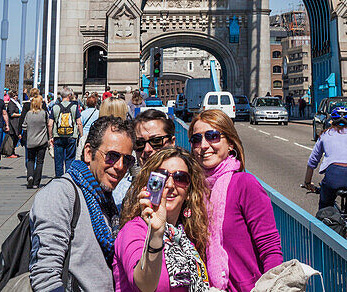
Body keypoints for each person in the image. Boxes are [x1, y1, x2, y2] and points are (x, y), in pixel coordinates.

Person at [30, 114, 136, 292]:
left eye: (127, 160)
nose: (119, 166)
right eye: (112, 156)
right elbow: (45, 276)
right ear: (88, 153)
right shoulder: (61, 193)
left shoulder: (105, 199)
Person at [188, 108, 283, 291]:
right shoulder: (191, 189)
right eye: (196, 139)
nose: (204, 145)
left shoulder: (244, 184)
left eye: (213, 136)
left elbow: (270, 248)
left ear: (230, 143)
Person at [114, 146, 209, 292]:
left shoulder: (186, 238)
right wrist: (156, 234)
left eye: (180, 178)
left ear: (189, 192)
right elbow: (144, 285)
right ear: (149, 183)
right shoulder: (135, 230)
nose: (170, 185)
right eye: (162, 176)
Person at [303, 105, 347, 246]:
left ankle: (322, 244)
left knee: (325, 211)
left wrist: (307, 182)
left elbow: (312, 162)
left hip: (333, 177)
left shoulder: (326, 135)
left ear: (331, 121)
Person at [115, 108, 176, 208]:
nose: (147, 149)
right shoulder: (121, 192)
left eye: (156, 141)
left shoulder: (187, 185)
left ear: (172, 142)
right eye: (139, 143)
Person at [21, 91, 52, 189]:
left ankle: (30, 175)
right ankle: (36, 182)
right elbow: (48, 125)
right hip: (42, 141)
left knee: (30, 160)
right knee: (39, 162)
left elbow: (24, 126)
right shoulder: (44, 114)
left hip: (31, 141)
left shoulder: (28, 114)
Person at [51, 88, 84, 178]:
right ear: (69, 96)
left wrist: (50, 136)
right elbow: (79, 122)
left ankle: (59, 179)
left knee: (58, 160)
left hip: (58, 136)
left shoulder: (55, 107)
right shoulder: (74, 107)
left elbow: (50, 124)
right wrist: (81, 136)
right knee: (70, 159)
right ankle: (68, 178)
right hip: (71, 136)